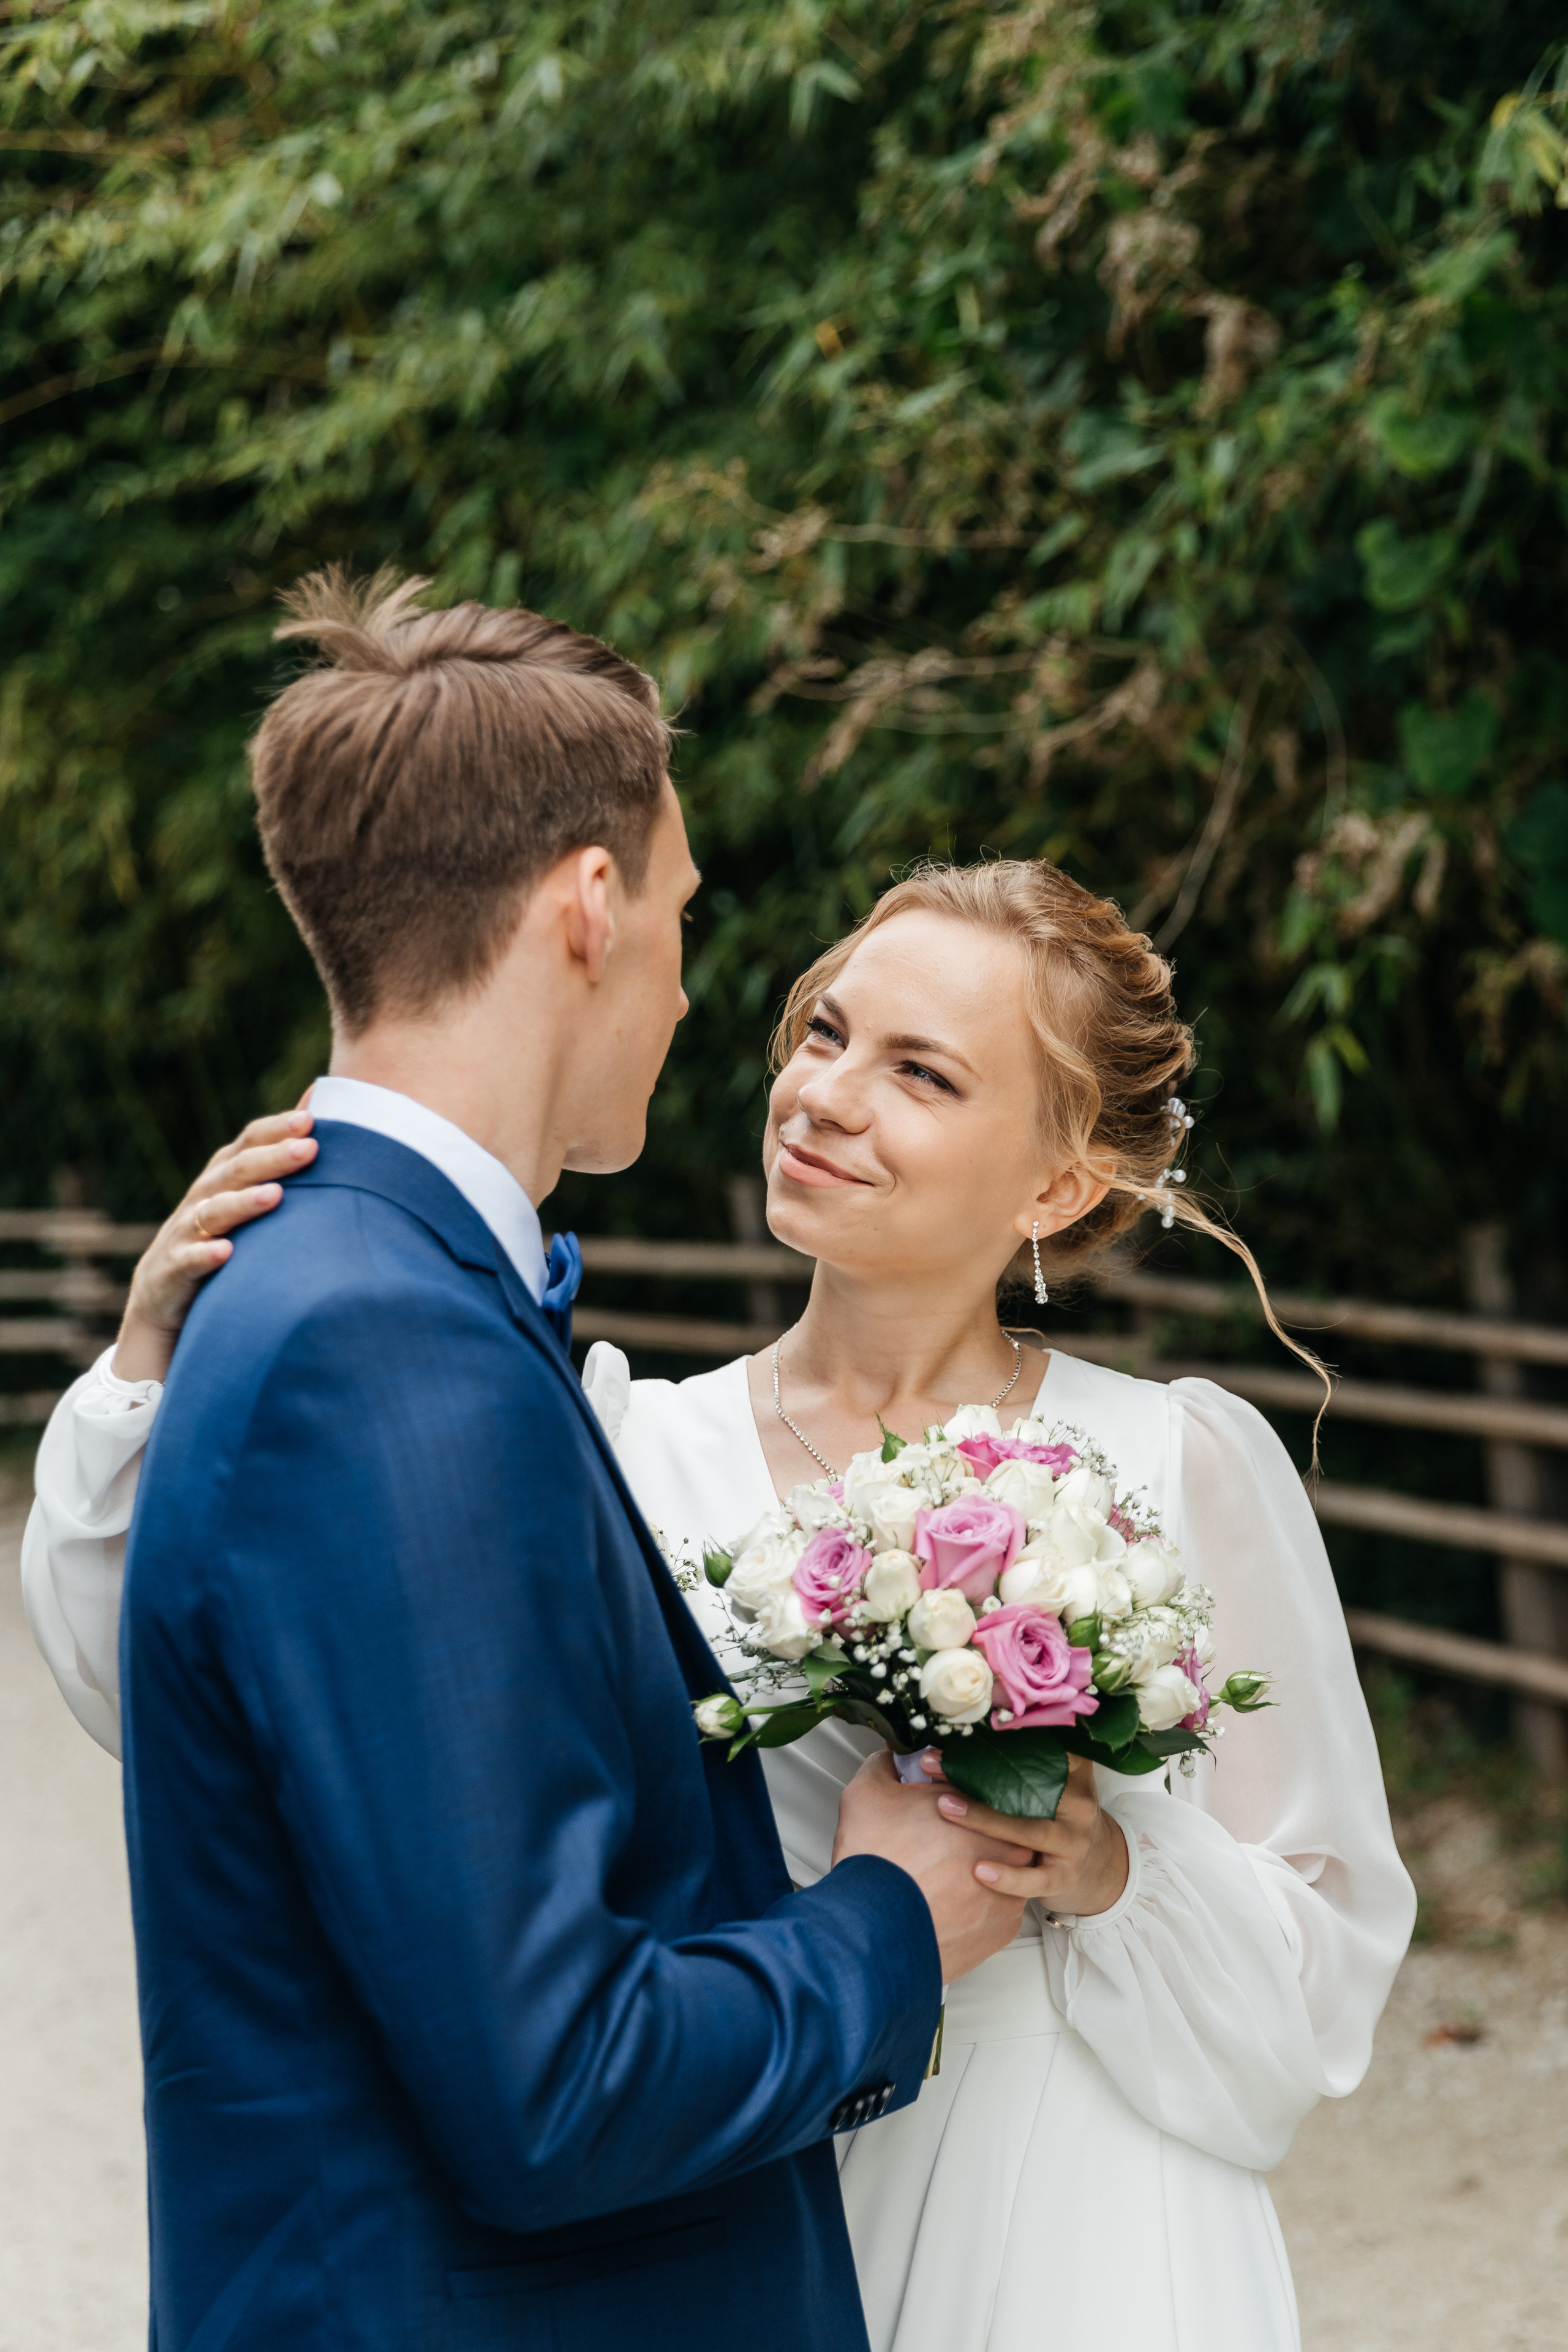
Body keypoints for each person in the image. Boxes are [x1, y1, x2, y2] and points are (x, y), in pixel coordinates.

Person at [28, 812, 1417, 2347]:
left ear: (1057, 1184)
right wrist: (147, 1374)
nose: (822, 1095)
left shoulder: (1178, 1463)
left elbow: (1319, 1977)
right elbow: (189, 1703)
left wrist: (1106, 1872)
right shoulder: (617, 1446)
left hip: (1093, 2216)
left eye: (919, 1073)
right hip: (755, 2187)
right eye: (824, 1032)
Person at [24, 573, 1041, 2352]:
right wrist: (895, 1917)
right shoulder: (381, 1349)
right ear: (588, 907)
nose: (687, 982)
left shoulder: (345, 1290)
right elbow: (558, 2080)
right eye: (680, 911)